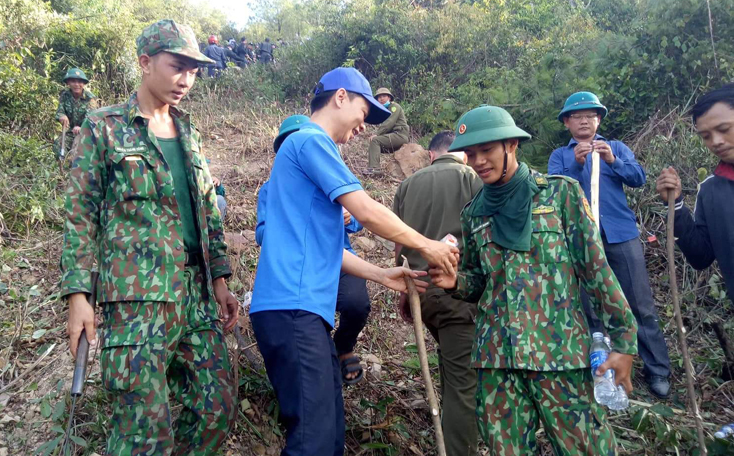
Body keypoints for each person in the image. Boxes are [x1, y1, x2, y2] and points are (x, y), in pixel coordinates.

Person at [250, 67, 458, 456]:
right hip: (292, 308)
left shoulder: (302, 154)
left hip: (301, 312)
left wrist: (383, 274)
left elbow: (326, 247)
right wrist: (428, 246)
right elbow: (365, 208)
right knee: (312, 441)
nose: (365, 126)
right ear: (340, 97)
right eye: (366, 111)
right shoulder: (309, 140)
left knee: (328, 435)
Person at [60, 19, 237, 455]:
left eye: (193, 71)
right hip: (136, 303)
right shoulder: (103, 128)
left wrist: (219, 278)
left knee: (217, 409)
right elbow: (80, 214)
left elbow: (206, 210)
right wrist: (79, 296)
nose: (186, 80)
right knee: (143, 435)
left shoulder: (188, 131)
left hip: (194, 295)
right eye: (177, 67)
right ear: (145, 63)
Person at [430, 105, 638, 456]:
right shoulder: (473, 214)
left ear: (511, 144)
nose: (478, 161)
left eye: (487, 150)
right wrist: (454, 283)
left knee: (587, 449)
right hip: (497, 363)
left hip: (559, 355)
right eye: (471, 153)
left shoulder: (560, 195)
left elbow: (596, 272)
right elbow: (482, 283)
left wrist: (624, 342)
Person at [548, 91, 671, 398]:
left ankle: (658, 370)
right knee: (587, 307)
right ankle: (598, 370)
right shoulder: (560, 156)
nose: (584, 121)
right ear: (567, 123)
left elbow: (638, 178)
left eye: (590, 115)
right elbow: (552, 195)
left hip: (620, 235)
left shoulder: (614, 147)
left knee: (639, 304)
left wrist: (612, 160)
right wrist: (575, 166)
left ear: (599, 119)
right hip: (579, 239)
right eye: (577, 116)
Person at [255, 114, 372, 385]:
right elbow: (262, 233)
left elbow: (358, 219)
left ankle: (343, 347)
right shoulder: (271, 190)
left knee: (356, 303)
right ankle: (320, 356)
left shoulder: (331, 176)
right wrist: (293, 221)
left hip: (339, 258)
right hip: (299, 266)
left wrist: (346, 217)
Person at [393, 130, 483, 456]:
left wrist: (405, 291)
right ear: (461, 153)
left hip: (422, 295)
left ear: (431, 154)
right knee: (463, 386)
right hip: (459, 293)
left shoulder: (408, 184)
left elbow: (400, 243)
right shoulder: (472, 178)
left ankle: (453, 434)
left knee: (453, 369)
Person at [656, 84, 734, 303]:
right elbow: (700, 256)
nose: (716, 142)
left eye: (724, 129)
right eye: (706, 136)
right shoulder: (712, 190)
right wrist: (675, 205)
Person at [54, 68, 96, 159]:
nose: (77, 85)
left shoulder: (90, 98)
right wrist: (62, 116)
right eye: (73, 81)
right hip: (71, 132)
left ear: (83, 84)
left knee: (79, 151)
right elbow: (59, 111)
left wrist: (82, 127)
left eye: (80, 82)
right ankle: (62, 166)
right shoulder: (65, 96)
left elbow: (91, 118)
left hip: (87, 133)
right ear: (68, 83)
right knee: (59, 143)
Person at [366, 87, 409, 175]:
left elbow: (389, 123)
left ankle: (374, 169)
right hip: (394, 136)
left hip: (399, 135)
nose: (381, 99)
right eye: (379, 97)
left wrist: (377, 134)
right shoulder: (385, 110)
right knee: (374, 146)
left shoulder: (394, 107)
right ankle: (374, 168)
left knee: (375, 141)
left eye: (384, 96)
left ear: (389, 98)